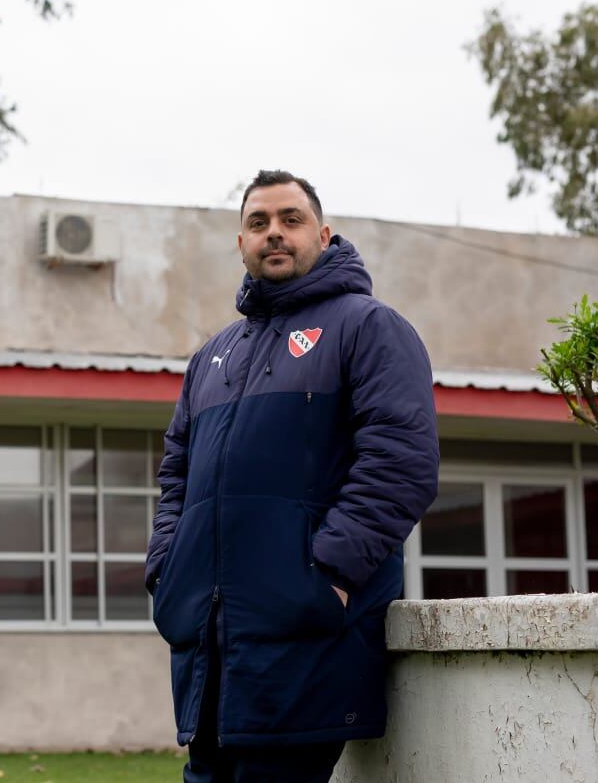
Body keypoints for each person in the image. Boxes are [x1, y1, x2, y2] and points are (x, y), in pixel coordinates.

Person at [146, 169, 439, 783]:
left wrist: (326, 576)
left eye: (291, 219)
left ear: (323, 235)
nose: (274, 233)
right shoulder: (212, 357)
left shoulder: (368, 327)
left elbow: (400, 463)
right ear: (241, 244)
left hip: (305, 646)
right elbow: (176, 477)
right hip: (209, 657)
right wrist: (167, 571)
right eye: (258, 223)